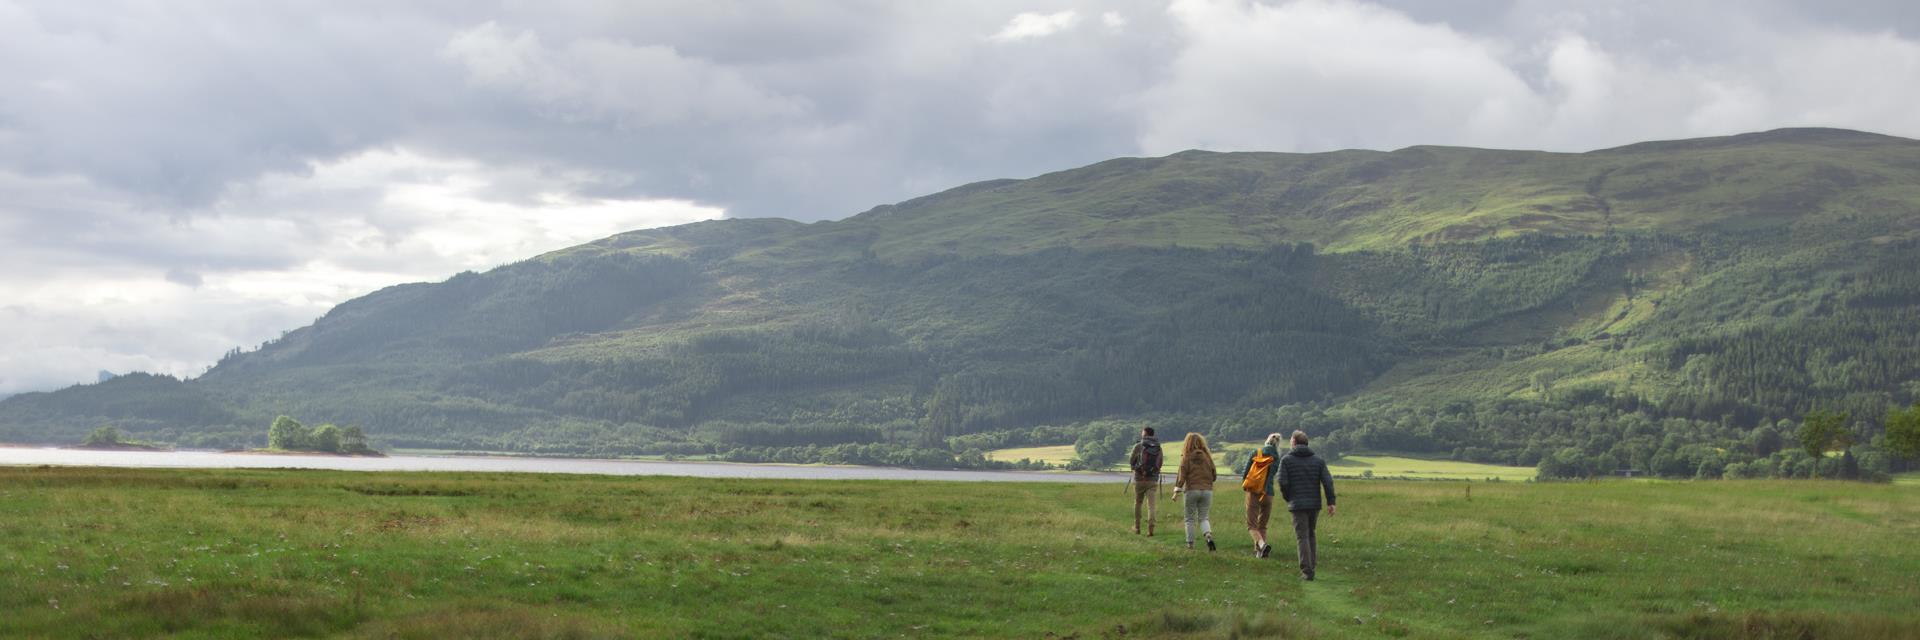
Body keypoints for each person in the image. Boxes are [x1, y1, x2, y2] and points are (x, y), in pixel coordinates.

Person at [1277, 430, 1337, 581]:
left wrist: (1288, 497)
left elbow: (1282, 482)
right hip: (1314, 504)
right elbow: (1328, 482)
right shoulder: (1318, 461)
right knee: (1311, 534)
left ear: (1294, 442)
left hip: (1297, 504)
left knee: (1301, 536)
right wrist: (1331, 502)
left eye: (1291, 440)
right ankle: (1312, 565)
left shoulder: (1286, 460)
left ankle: (1307, 571)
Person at [1237, 433, 1284, 558]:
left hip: (1253, 492)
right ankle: (1260, 554)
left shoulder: (1255, 453)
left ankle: (1262, 546)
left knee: (1251, 525)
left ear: (1266, 441)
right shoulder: (1277, 458)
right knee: (1262, 525)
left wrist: (1245, 486)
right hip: (1268, 493)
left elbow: (1245, 472)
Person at [1173, 432, 1217, 551]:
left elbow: (1181, 477)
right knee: (1204, 518)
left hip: (1191, 490)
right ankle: (1208, 535)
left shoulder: (1186, 457)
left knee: (1189, 518)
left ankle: (1190, 545)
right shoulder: (1208, 457)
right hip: (1207, 491)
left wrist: (1177, 490)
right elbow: (1214, 475)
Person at [1127, 427, 1163, 535]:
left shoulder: (1139, 445)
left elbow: (1131, 460)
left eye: (1142, 431)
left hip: (1139, 478)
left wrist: (1136, 467)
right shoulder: (1158, 447)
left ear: (1145, 433)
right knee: (1151, 505)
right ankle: (1151, 528)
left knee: (1138, 502)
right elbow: (1160, 462)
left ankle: (1137, 527)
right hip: (1153, 479)